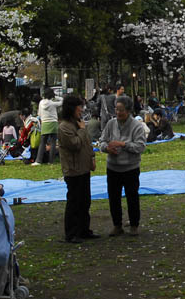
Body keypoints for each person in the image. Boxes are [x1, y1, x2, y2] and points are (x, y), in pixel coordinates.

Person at [99, 95, 147, 236]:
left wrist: (123, 144)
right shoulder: (111, 124)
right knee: (114, 197)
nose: (118, 113)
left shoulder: (137, 126)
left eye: (121, 110)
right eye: (116, 109)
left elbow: (140, 147)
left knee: (132, 197)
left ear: (129, 110)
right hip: (113, 167)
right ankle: (117, 225)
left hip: (130, 168)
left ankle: (134, 225)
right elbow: (102, 141)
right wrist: (107, 148)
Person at [57, 94, 98, 243]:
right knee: (74, 202)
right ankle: (72, 233)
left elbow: (87, 142)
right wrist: (81, 130)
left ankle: (84, 230)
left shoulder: (79, 123)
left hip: (84, 168)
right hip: (73, 170)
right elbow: (74, 145)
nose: (81, 110)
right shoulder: (64, 127)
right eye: (79, 107)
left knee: (85, 201)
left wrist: (92, 157)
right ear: (71, 108)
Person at [36, 89, 62, 165]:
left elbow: (39, 114)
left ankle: (38, 160)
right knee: (53, 143)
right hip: (53, 123)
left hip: (44, 123)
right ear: (52, 95)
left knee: (42, 143)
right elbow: (62, 101)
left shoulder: (41, 103)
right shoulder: (53, 104)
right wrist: (56, 97)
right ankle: (51, 161)